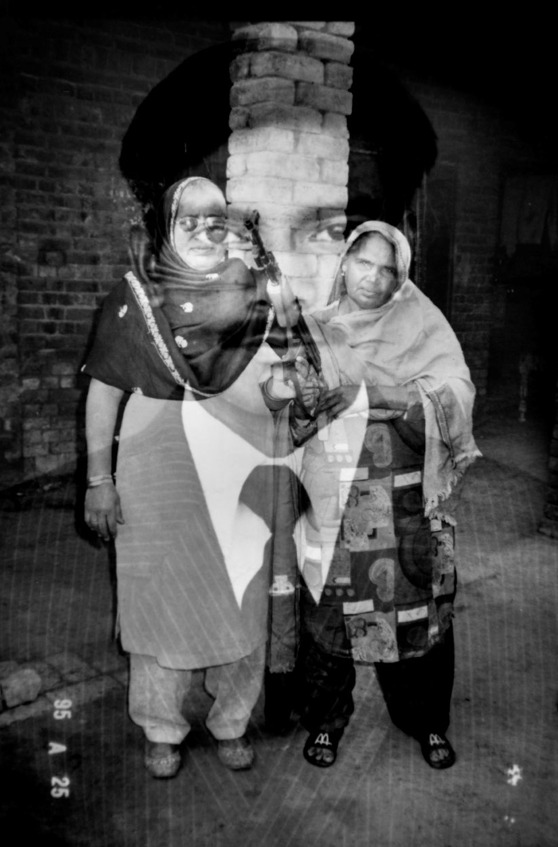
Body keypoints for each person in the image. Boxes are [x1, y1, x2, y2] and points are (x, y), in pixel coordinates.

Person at [82, 176, 302, 779]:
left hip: (240, 461)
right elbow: (103, 392)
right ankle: (161, 727)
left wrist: (283, 391)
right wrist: (99, 481)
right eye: (190, 220)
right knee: (159, 594)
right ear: (166, 227)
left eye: (216, 220)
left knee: (238, 594)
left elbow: (277, 381)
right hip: (157, 463)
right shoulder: (136, 298)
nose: (206, 231)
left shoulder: (256, 294)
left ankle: (231, 720)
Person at [289, 220, 481, 770]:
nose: (373, 278)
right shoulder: (315, 329)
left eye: (387, 269)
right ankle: (326, 721)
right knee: (331, 608)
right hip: (337, 497)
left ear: (402, 277)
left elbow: (456, 393)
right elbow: (291, 414)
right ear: (345, 263)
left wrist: (379, 394)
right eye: (363, 263)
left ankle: (426, 720)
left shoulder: (422, 323)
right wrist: (298, 395)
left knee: (418, 612)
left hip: (408, 501)